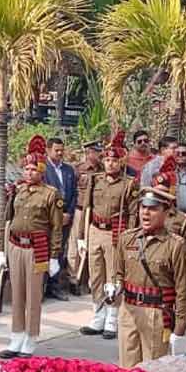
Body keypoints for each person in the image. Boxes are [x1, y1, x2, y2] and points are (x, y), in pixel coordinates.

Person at [0, 137, 63, 360]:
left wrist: (55, 256)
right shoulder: (18, 191)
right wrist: (1, 252)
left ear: (41, 171)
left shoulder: (50, 194)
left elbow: (55, 227)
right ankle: (16, 335)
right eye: (26, 168)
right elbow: (7, 220)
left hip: (38, 249)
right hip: (16, 246)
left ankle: (30, 338)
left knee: (33, 295)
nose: (29, 173)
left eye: (33, 169)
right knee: (17, 294)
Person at [112, 186, 186, 367]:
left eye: (153, 208)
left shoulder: (175, 245)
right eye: (143, 207)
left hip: (156, 313)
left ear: (166, 212)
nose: (146, 213)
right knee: (126, 369)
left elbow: (182, 289)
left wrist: (180, 326)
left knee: (152, 371)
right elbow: (119, 272)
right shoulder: (127, 238)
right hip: (129, 310)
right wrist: (115, 285)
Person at [77, 139, 139, 340]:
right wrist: (81, 236)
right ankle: (98, 316)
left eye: (114, 160)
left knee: (113, 276)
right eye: (107, 160)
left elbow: (132, 214)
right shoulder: (95, 180)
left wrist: (128, 238)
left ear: (121, 162)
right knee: (95, 275)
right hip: (95, 229)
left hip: (116, 233)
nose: (110, 163)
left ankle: (112, 318)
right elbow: (86, 209)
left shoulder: (129, 184)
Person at [67, 140, 103, 294]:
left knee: (92, 245)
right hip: (80, 210)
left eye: (99, 151)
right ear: (88, 153)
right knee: (75, 245)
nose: (99, 154)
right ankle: (73, 279)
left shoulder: (102, 169)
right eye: (95, 151)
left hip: (96, 211)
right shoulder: (78, 170)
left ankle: (87, 279)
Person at [43, 137, 76, 301]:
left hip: (64, 218)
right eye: (56, 150)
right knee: (44, 251)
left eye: (62, 150)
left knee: (59, 251)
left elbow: (74, 194)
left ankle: (55, 286)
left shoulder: (69, 170)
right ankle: (42, 286)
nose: (60, 153)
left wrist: (68, 213)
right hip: (48, 219)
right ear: (48, 150)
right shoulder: (42, 169)